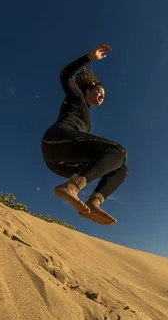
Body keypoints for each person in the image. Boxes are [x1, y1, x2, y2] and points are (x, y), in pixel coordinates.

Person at [41, 44, 128, 225]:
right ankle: (71, 187)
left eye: (104, 94)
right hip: (55, 141)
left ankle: (94, 203)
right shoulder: (76, 97)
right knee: (118, 151)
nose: (102, 95)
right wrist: (88, 57)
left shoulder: (87, 119)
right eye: (99, 91)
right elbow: (64, 75)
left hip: (61, 164)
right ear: (87, 90)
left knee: (121, 167)